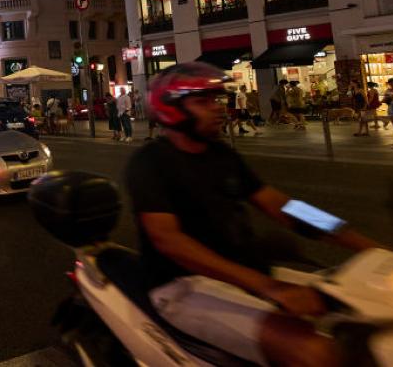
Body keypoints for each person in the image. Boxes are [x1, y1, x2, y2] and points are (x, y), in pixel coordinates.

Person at [125, 63, 379, 367]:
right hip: (182, 287)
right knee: (316, 352)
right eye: (203, 102)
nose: (218, 109)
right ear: (172, 109)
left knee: (365, 323)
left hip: (243, 275)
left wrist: (367, 247)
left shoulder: (221, 155)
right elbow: (169, 241)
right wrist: (269, 287)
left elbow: (283, 207)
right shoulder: (150, 163)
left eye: (217, 100)